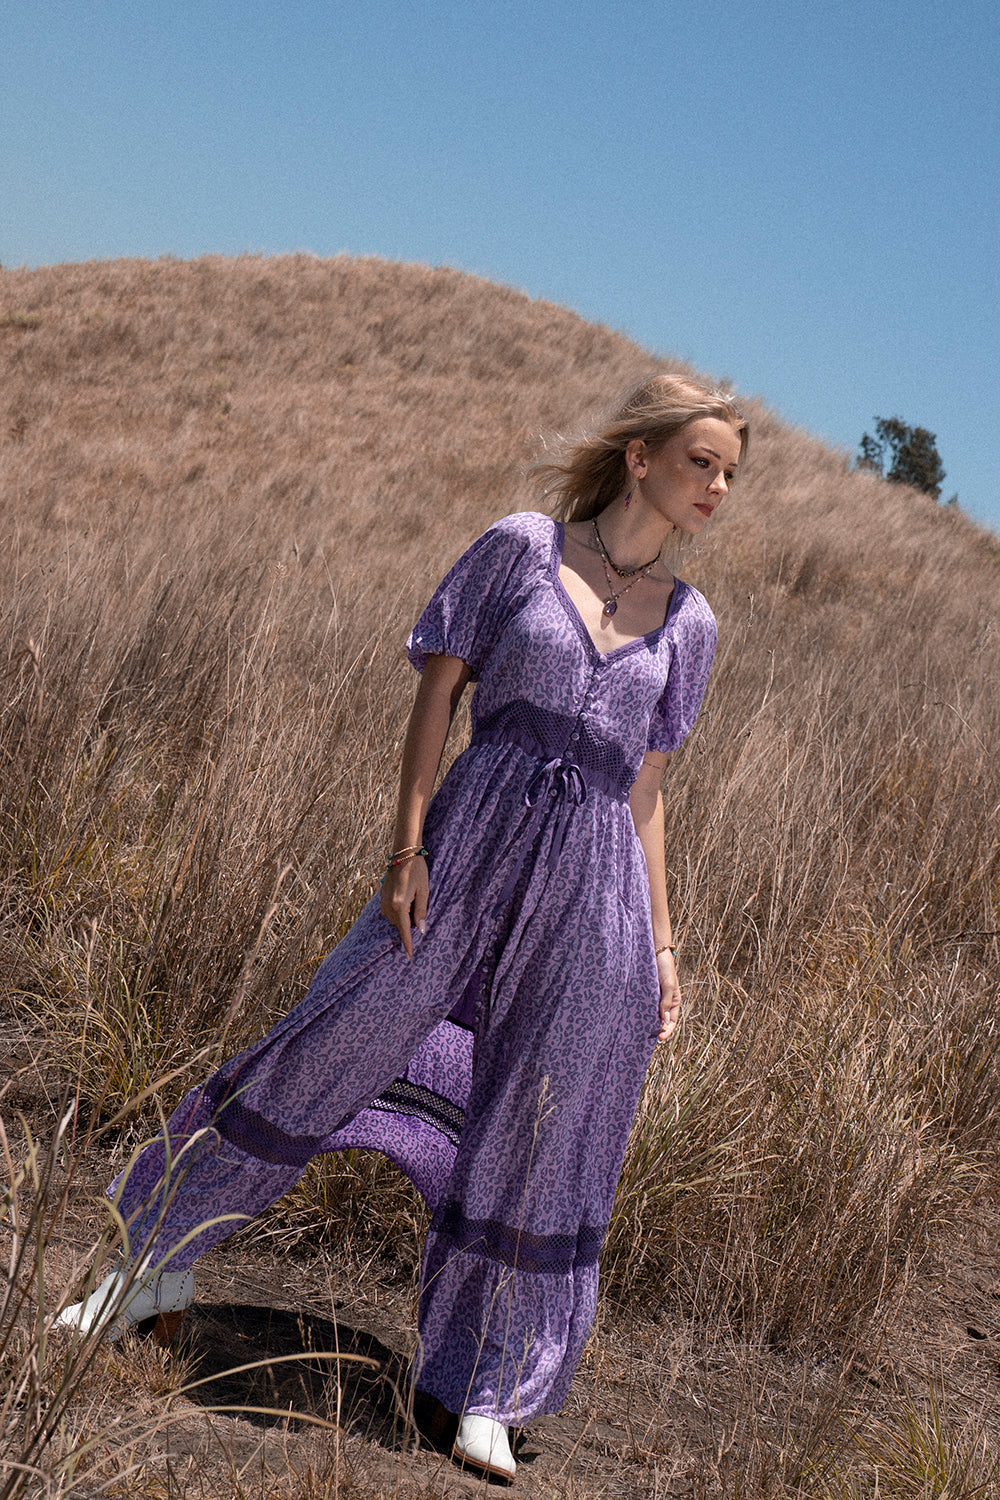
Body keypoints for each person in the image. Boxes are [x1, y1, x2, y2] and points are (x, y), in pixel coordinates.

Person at [58, 374, 747, 1481]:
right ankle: (153, 1268)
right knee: (329, 1038)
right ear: (640, 455)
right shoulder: (520, 549)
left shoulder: (692, 621)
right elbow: (437, 695)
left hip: (595, 896)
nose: (715, 486)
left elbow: (648, 793)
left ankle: (483, 1381)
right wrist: (406, 847)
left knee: (545, 1125)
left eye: (729, 473)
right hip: (466, 851)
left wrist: (665, 947)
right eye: (700, 460)